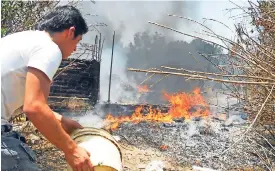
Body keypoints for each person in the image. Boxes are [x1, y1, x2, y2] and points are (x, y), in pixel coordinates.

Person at [1, 5, 94, 171]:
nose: (75, 49)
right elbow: (34, 107)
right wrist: (72, 150)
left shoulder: (22, 39)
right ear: (70, 32)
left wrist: (61, 121)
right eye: (77, 42)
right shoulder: (49, 48)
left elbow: (24, 101)